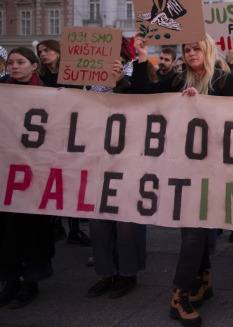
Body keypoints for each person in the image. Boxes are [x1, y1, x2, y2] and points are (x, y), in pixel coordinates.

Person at [131, 34, 233, 326]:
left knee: (199, 230)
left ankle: (191, 287)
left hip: (214, 169)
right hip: (182, 169)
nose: (192, 53)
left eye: (197, 48)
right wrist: (143, 57)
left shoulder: (224, 81)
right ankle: (186, 291)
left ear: (208, 50)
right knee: (192, 231)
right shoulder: (178, 80)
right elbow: (143, 93)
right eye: (187, 49)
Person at [86, 37, 147, 299]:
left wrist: (121, 81)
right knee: (98, 220)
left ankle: (127, 273)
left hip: (127, 159)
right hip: (94, 158)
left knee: (125, 221)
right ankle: (104, 272)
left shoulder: (133, 80)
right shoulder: (87, 82)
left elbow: (142, 101)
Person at [0, 48, 54, 309]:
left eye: (21, 62)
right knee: (7, 232)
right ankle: (10, 280)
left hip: (36, 173)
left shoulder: (51, 93)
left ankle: (31, 281)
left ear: (34, 66)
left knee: (32, 230)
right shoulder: (3, 90)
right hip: (6, 173)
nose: (14, 67)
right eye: (10, 63)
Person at [36, 39, 92, 246]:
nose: (43, 54)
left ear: (59, 53)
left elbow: (79, 98)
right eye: (40, 51)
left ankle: (75, 228)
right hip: (47, 135)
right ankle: (56, 225)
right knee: (51, 180)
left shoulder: (71, 75)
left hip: (70, 134)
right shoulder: (39, 77)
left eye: (47, 50)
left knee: (70, 181)